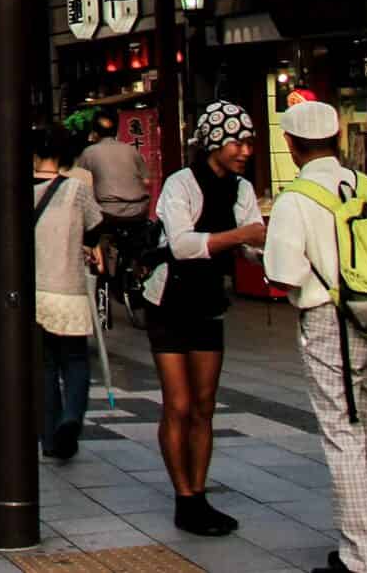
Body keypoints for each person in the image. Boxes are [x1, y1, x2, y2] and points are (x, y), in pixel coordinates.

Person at [263, 99, 367, 573]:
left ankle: (361, 558)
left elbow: (284, 276)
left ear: (291, 146)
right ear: (337, 139)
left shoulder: (295, 200)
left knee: (343, 438)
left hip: (330, 323)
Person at [145, 99, 266, 537]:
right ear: (214, 141)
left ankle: (200, 492)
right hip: (169, 300)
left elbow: (251, 244)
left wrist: (264, 248)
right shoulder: (181, 184)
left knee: (204, 405)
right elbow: (181, 244)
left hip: (209, 300)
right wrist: (240, 237)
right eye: (237, 141)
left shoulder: (242, 189)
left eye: (248, 142)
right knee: (177, 404)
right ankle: (184, 497)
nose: (244, 151)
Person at [34, 124, 104, 460]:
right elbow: (95, 231)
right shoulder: (76, 190)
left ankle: (49, 438)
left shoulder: (18, 191)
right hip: (69, 288)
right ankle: (72, 417)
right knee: (75, 360)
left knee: (44, 365)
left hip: (32, 292)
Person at [79, 112, 156, 267]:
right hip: (138, 211)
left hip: (106, 213)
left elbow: (79, 182)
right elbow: (147, 180)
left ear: (94, 132)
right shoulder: (131, 150)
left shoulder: (89, 153)